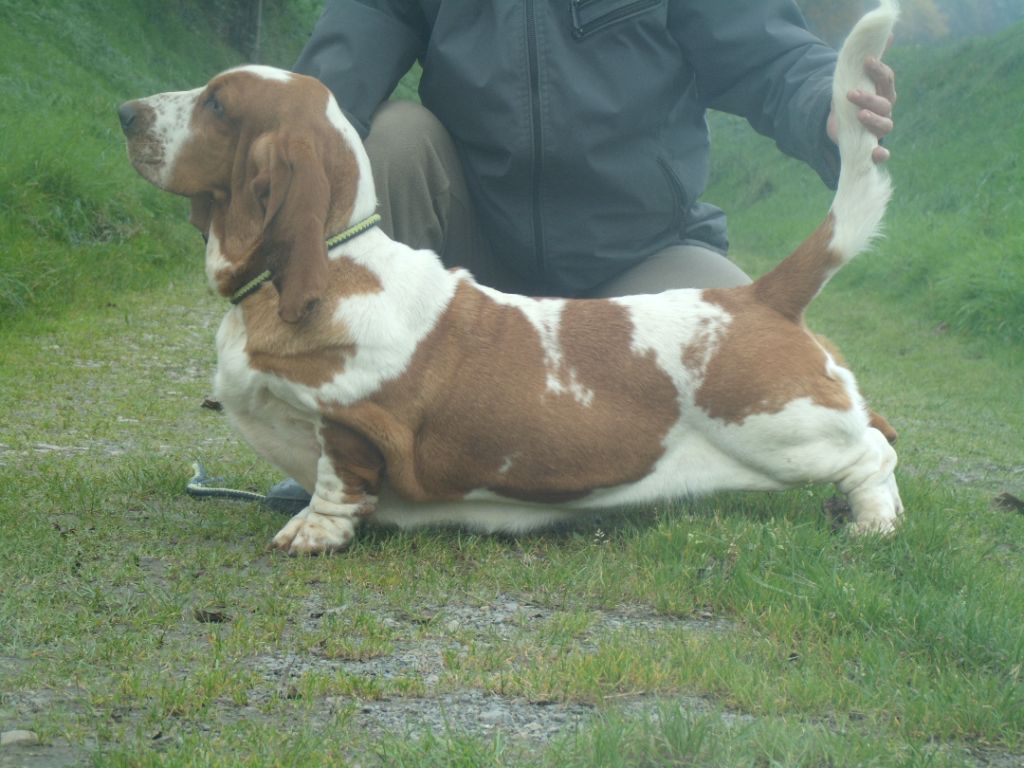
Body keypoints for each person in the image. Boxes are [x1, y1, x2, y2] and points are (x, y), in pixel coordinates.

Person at [264, 0, 897, 512]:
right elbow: (341, 62)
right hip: (472, 270)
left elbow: (767, 50)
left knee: (753, 359)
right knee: (395, 140)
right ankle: (349, 446)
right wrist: (269, 165)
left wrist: (826, 105)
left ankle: (845, 425)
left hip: (640, 262)